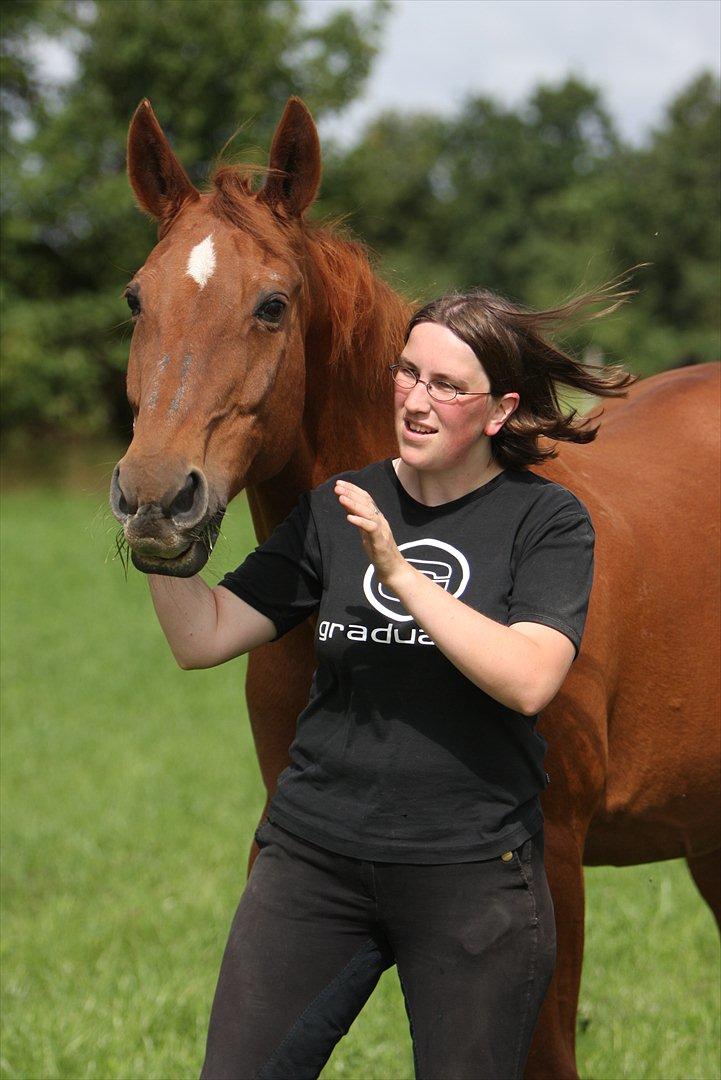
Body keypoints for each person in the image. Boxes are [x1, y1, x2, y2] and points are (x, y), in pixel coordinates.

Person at [148, 286, 635, 1080]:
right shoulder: (339, 507)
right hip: (312, 866)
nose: (416, 399)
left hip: (472, 880)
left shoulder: (545, 523)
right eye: (407, 373)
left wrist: (399, 573)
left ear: (499, 410)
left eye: (446, 385)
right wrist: (160, 544)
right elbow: (201, 637)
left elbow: (529, 679)